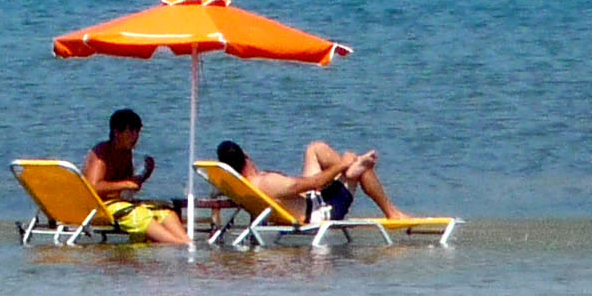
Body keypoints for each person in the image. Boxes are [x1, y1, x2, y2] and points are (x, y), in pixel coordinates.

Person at [213, 139, 401, 225]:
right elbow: (312, 184)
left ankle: (351, 168)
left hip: (307, 202)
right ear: (246, 156)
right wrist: (341, 165)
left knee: (315, 148)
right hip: (322, 212)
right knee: (363, 169)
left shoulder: (239, 184)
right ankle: (392, 213)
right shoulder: (266, 182)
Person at [83, 108, 188, 247]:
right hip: (98, 208)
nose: (135, 136)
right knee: (140, 215)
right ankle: (180, 244)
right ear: (117, 133)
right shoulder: (102, 152)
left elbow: (129, 188)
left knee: (164, 211)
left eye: (137, 132)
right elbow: (92, 187)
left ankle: (187, 242)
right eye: (131, 131)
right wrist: (126, 184)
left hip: (117, 203)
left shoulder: (125, 152)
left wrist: (144, 174)